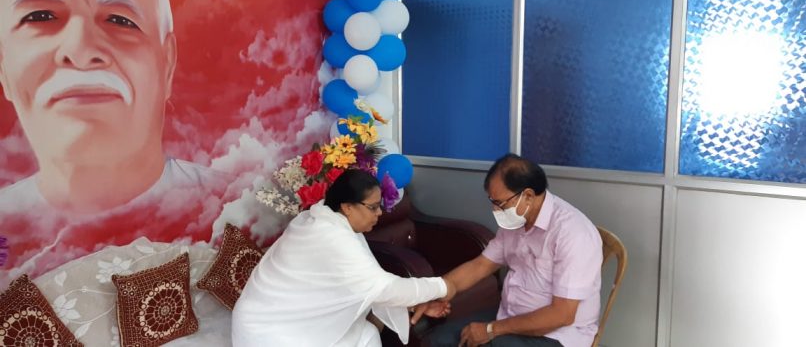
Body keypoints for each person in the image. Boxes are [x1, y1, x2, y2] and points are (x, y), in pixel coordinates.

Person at [0, 0, 232, 287]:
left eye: (120, 20)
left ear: (167, 65)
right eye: (40, 17)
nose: (80, 50)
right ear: (3, 67)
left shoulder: (235, 210)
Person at [232, 169, 455, 347]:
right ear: (348, 207)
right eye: (373, 207)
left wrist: (413, 305)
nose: (380, 213)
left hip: (280, 316)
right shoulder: (330, 235)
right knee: (365, 336)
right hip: (269, 331)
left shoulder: (322, 217)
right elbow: (383, 288)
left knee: (364, 333)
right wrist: (445, 286)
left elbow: (363, 284)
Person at [414, 154, 602, 347]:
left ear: (528, 196)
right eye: (492, 202)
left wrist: (490, 330)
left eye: (500, 203)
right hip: (510, 316)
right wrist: (437, 292)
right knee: (439, 340)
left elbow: (562, 315)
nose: (496, 210)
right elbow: (481, 265)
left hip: (559, 334)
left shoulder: (572, 232)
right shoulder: (518, 221)